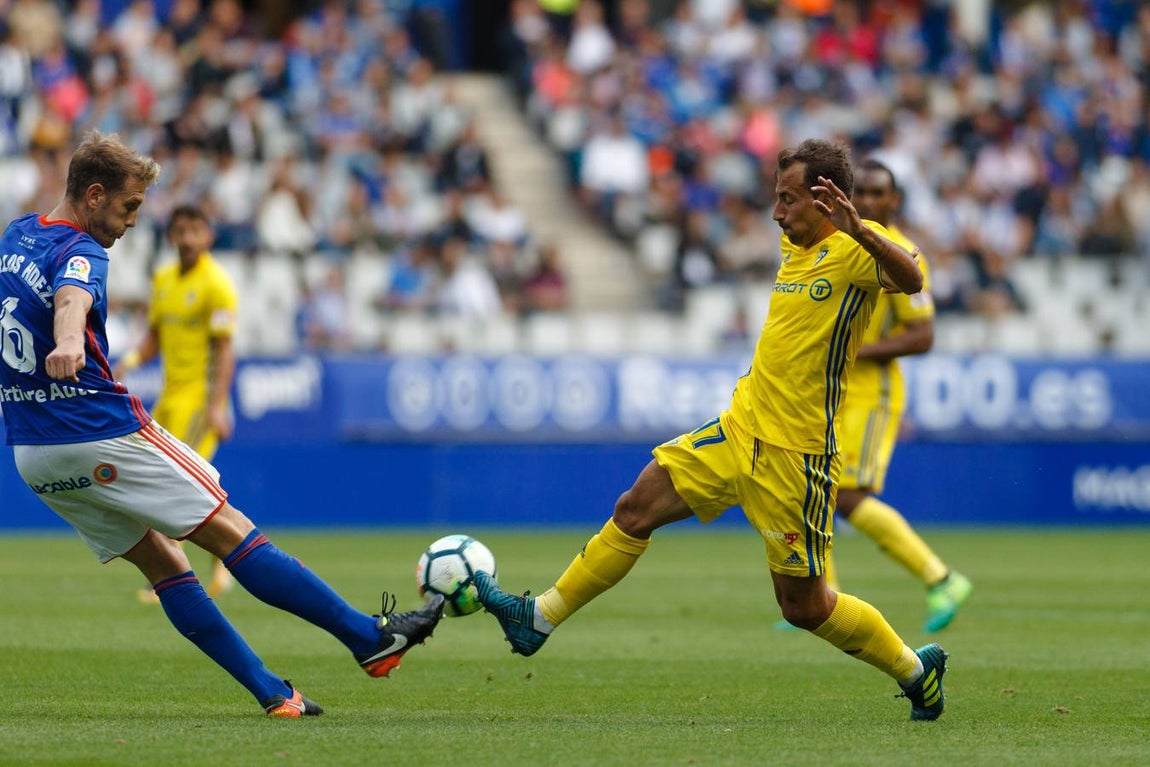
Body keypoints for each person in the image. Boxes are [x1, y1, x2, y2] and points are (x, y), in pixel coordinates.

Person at [474, 139, 949, 721]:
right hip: (739, 427)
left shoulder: (858, 248)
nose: (776, 213)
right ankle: (539, 618)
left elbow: (913, 278)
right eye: (777, 197)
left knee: (805, 607)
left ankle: (915, 671)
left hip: (795, 457)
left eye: (788, 199)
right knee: (634, 508)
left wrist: (861, 231)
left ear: (826, 200)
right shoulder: (795, 242)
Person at [0, 131, 444, 717]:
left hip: (32, 452)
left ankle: (274, 694)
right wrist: (66, 343)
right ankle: (369, 638)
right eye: (129, 206)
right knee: (231, 531)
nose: (133, 221)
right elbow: (71, 300)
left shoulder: (16, 235)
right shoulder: (83, 251)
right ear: (95, 194)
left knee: (165, 564)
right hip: (98, 430)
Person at [828, 159, 972, 633]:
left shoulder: (902, 255)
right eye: (861, 193)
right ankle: (819, 594)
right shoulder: (839, 245)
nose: (868, 201)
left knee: (848, 495)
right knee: (816, 487)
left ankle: (941, 578)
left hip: (872, 390)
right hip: (832, 388)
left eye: (878, 193)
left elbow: (923, 335)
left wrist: (856, 350)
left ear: (895, 200)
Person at [114, 204, 239, 602]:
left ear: (208, 236)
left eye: (195, 230)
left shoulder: (216, 285)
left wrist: (218, 404)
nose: (187, 238)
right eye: (180, 231)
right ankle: (225, 562)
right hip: (169, 398)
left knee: (179, 482)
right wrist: (129, 361)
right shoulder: (164, 279)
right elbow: (155, 335)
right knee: (190, 484)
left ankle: (171, 578)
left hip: (200, 401)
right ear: (171, 236)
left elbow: (225, 350)